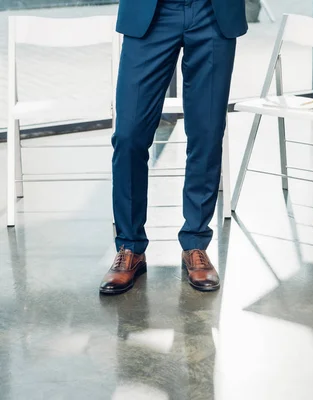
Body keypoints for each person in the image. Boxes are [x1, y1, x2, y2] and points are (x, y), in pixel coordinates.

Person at [99, 0, 247, 295]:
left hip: (212, 13)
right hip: (151, 13)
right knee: (129, 135)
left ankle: (195, 243)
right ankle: (130, 247)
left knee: (206, 133)